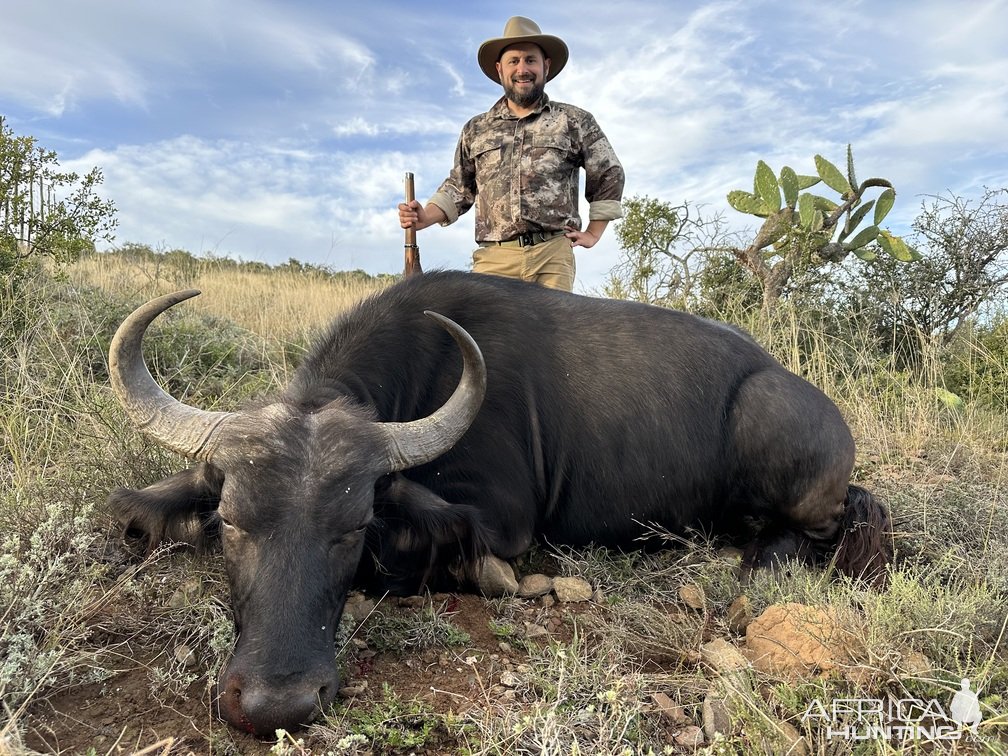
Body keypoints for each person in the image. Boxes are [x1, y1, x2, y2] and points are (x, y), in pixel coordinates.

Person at [398, 16, 625, 291]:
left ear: (545, 66)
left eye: (530, 60)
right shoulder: (476, 129)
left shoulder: (573, 121)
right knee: (485, 335)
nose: (522, 69)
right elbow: (459, 188)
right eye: (513, 61)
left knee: (551, 335)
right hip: (494, 260)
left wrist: (593, 233)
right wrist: (425, 217)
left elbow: (609, 172)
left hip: (552, 255)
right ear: (500, 69)